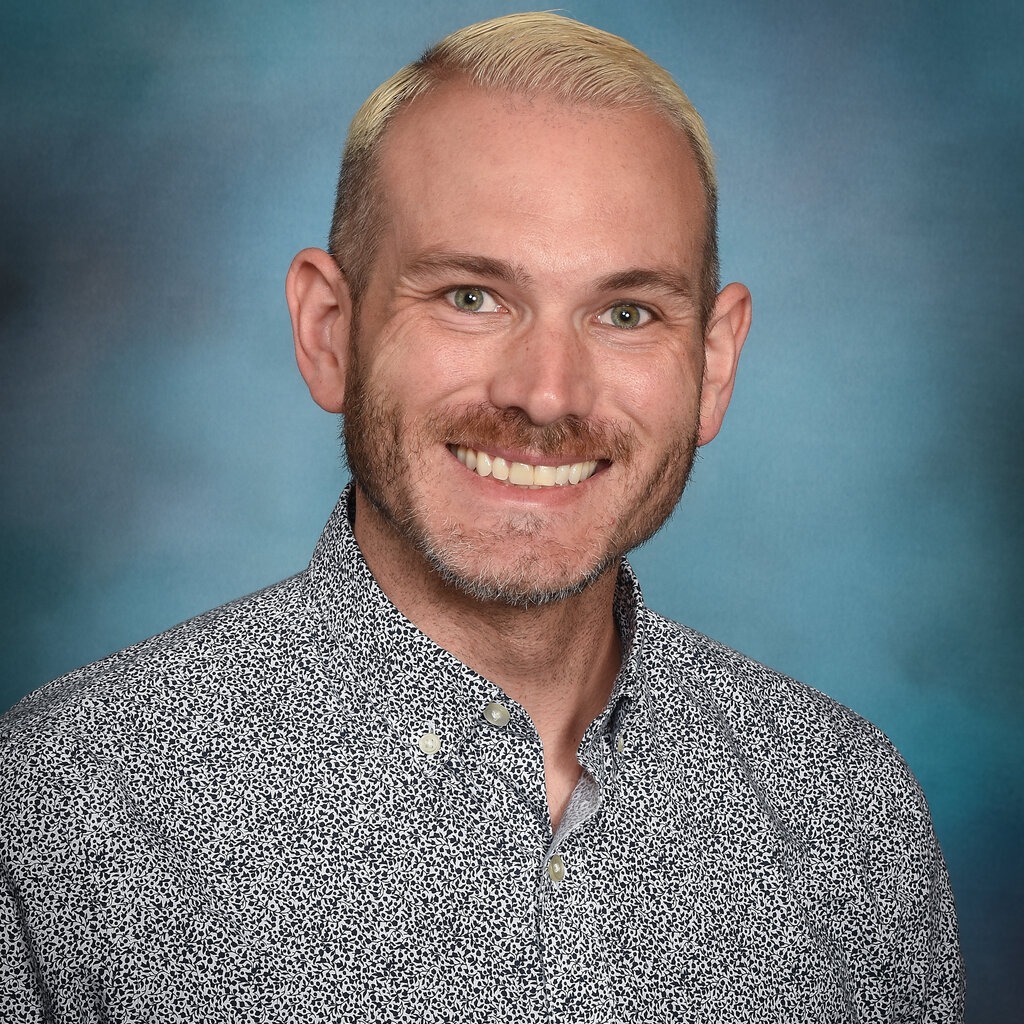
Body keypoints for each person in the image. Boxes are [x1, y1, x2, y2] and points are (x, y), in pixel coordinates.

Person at [0, 12, 963, 1022]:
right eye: (471, 296)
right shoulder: (64, 806)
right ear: (329, 331)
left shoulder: (848, 812)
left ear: (713, 365)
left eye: (626, 312)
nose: (546, 394)